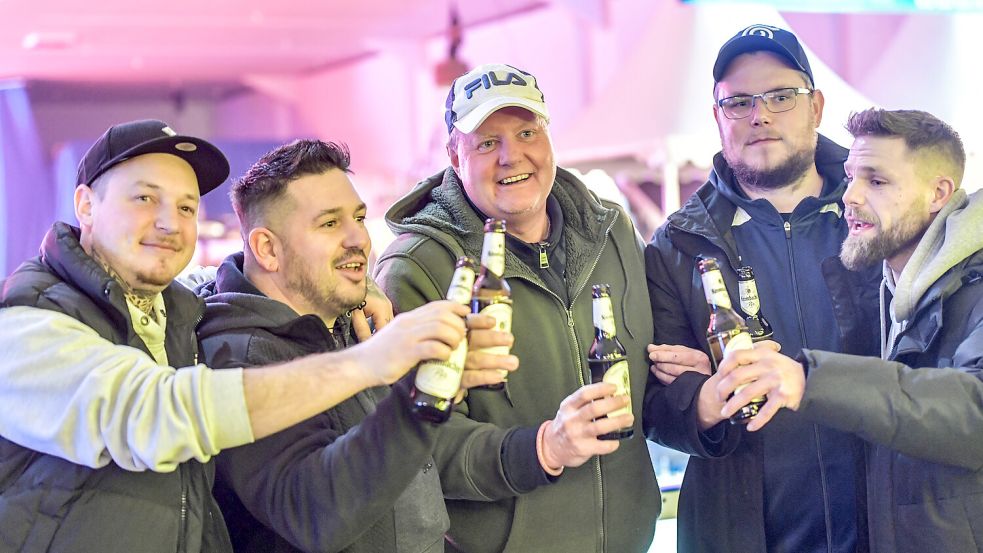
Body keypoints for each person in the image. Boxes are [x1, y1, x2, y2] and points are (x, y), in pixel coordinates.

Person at [0, 119, 469, 552]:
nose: (169, 222)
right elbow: (154, 412)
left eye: (186, 206)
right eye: (144, 198)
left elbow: (225, 278)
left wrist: (348, 279)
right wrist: (370, 362)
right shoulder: (28, 326)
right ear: (86, 204)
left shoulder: (169, 310)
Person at [375, 63, 661, 553]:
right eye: (487, 142)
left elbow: (645, 386)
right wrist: (542, 448)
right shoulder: (416, 268)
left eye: (527, 131)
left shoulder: (611, 231)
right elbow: (411, 444)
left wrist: (696, 394)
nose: (512, 156)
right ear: (453, 156)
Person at [195, 139, 515, 553]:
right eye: (329, 223)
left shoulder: (348, 323)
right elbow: (316, 513)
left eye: (359, 218)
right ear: (267, 249)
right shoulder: (242, 357)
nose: (358, 239)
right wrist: (419, 398)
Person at [643, 26, 882, 553]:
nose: (761, 115)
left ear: (816, 106)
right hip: (739, 530)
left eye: (781, 96)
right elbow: (657, 404)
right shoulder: (677, 244)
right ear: (717, 117)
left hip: (883, 524)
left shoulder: (878, 214)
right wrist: (705, 399)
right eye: (740, 102)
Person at [716, 108, 983, 553]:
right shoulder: (886, 288)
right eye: (851, 176)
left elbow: (975, 411)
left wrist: (808, 378)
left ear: (939, 193)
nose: (851, 196)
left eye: (876, 182)